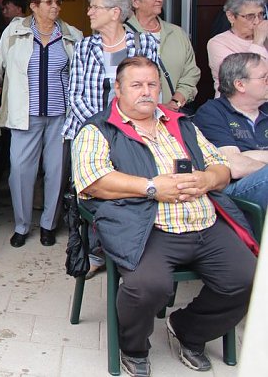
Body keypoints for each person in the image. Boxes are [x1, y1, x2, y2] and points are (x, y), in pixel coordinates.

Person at [72, 56, 256, 376]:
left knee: (247, 278)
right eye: (137, 85)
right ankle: (133, 348)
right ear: (118, 89)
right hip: (147, 225)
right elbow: (93, 181)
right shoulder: (98, 129)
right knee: (147, 286)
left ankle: (188, 330)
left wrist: (207, 180)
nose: (146, 92)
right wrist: (151, 187)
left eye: (152, 84)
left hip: (204, 221)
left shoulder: (181, 122)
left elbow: (220, 168)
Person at [0, 0, 83, 247]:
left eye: (57, 1)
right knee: (21, 172)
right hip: (24, 115)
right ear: (34, 6)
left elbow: (81, 76)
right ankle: (22, 225)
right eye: (48, 2)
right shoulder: (15, 31)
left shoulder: (73, 35)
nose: (55, 6)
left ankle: (49, 224)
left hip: (60, 116)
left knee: (56, 171)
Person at [62, 0, 159, 141]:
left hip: (134, 134)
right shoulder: (84, 47)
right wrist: (102, 126)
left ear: (115, 12)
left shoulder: (144, 43)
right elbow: (75, 97)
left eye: (95, 7)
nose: (89, 13)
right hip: (90, 133)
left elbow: (152, 89)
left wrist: (125, 126)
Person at [193, 53, 268, 211]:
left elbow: (239, 159)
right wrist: (241, 158)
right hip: (234, 191)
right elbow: (234, 166)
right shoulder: (212, 113)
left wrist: (247, 155)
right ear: (240, 85)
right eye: (265, 77)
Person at [123, 0, 200, 111]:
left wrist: (175, 102)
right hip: (134, 118)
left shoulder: (177, 33)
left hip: (173, 115)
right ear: (135, 2)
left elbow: (191, 73)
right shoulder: (122, 35)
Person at [207, 0, 268, 96]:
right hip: (232, 108)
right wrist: (258, 42)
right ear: (231, 16)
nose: (257, 21)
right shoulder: (218, 43)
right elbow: (240, 77)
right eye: (250, 16)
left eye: (260, 15)